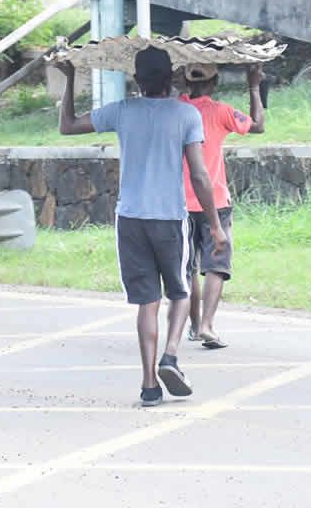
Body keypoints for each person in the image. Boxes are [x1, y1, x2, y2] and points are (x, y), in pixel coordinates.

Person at [58, 48, 229, 407]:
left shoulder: (122, 111)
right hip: (169, 217)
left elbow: (68, 125)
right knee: (180, 291)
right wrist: (215, 225)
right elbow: (199, 174)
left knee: (146, 302)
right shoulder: (186, 114)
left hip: (131, 219)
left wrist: (71, 77)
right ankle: (170, 354)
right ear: (172, 79)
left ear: (137, 80)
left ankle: (150, 384)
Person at [178, 63, 266, 350]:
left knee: (189, 267)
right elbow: (258, 124)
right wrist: (253, 85)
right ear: (214, 83)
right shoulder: (221, 111)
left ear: (185, 82)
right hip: (214, 201)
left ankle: (192, 326)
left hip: (178, 202)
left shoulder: (174, 109)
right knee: (216, 265)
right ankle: (207, 325)